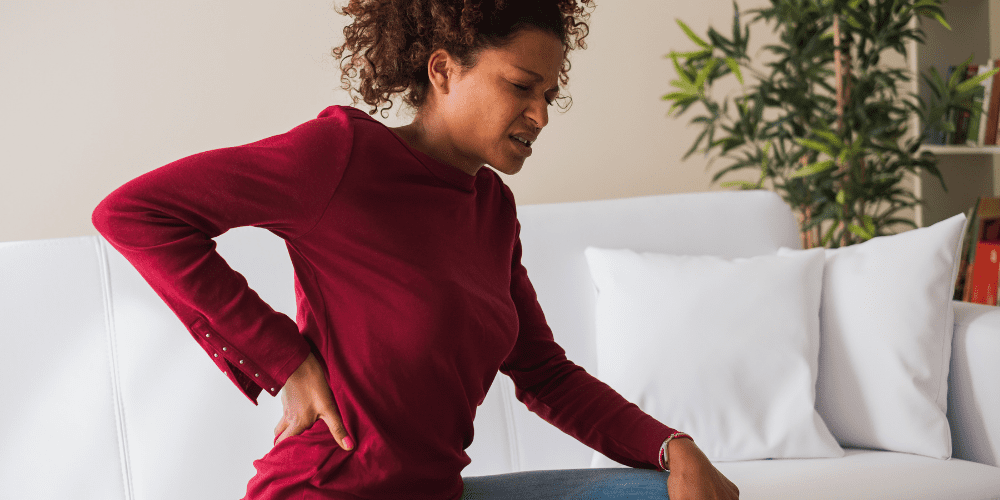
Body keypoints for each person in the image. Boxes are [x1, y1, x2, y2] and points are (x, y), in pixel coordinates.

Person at [91, 1, 739, 499]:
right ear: (443, 70)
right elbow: (135, 214)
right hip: (325, 491)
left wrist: (671, 446)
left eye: (549, 95)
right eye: (521, 86)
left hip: (436, 493)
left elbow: (544, 375)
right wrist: (284, 359)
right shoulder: (342, 156)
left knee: (664, 493)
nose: (541, 116)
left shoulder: (491, 211)